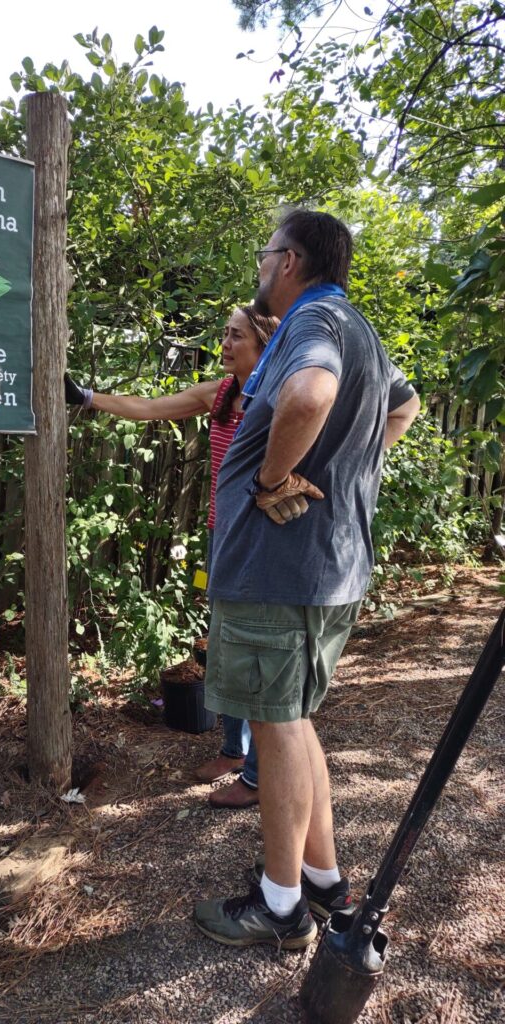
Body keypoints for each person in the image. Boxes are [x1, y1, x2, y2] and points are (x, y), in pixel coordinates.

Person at [193, 210, 420, 950]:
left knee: (278, 724)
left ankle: (281, 906)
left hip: (278, 569)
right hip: (327, 565)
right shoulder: (359, 325)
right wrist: (348, 466)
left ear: (288, 260)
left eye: (266, 254)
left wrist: (274, 476)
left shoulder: (311, 321)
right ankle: (322, 881)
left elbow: (310, 396)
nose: (260, 268)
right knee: (294, 719)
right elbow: (405, 406)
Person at [64, 306, 278, 808]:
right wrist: (89, 398)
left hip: (263, 542)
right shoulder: (221, 393)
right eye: (224, 334)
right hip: (221, 535)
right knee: (222, 647)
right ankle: (232, 749)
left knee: (252, 656)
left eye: (236, 336)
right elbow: (152, 406)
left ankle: (256, 776)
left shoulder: (280, 396)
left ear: (265, 341)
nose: (224, 344)